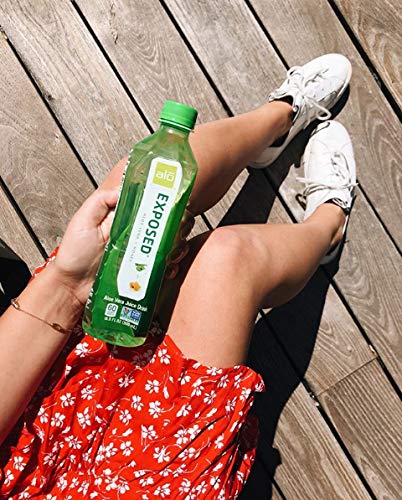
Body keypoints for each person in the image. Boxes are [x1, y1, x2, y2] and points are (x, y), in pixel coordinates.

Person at [0, 54, 357, 499]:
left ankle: (278, 120)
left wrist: (71, 282)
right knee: (228, 258)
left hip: (22, 429)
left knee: (145, 183)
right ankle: (329, 227)